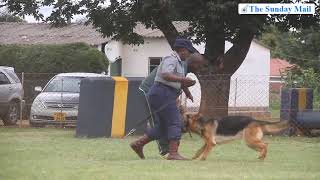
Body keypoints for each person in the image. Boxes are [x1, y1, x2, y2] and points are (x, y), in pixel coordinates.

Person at [130, 39, 205, 160]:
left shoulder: (179, 62)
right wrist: (183, 80)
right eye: (188, 51)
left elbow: (177, 80)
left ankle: (138, 144)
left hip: (164, 93)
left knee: (163, 126)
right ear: (182, 50)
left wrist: (187, 88)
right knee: (175, 121)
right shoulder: (171, 59)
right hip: (162, 93)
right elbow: (166, 74)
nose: (188, 54)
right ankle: (173, 153)